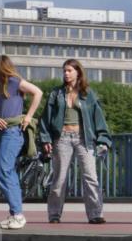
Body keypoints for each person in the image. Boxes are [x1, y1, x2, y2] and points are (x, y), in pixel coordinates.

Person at [39, 59, 113, 225]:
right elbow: (45, 119)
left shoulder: (88, 94)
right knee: (59, 179)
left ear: (78, 72)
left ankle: (95, 214)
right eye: (64, 70)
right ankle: (54, 214)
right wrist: (45, 139)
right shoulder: (56, 93)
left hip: (83, 139)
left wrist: (103, 139)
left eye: (69, 70)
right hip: (62, 139)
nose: (66, 73)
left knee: (90, 177)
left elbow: (98, 118)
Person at [0, 55, 43, 230]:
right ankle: (15, 214)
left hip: (13, 133)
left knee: (3, 171)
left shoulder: (14, 81)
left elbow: (38, 92)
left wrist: (28, 117)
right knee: (7, 172)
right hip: (3, 134)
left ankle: (18, 215)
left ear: (0, 67)